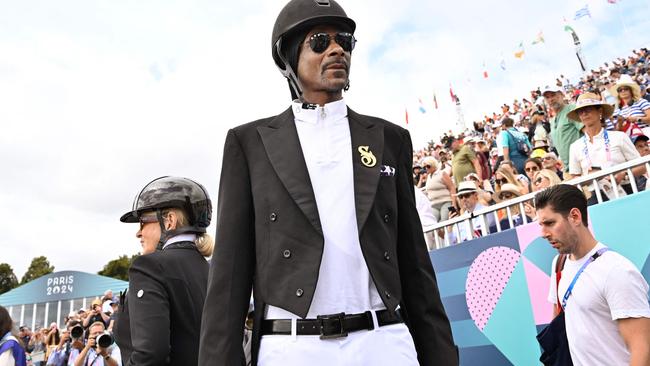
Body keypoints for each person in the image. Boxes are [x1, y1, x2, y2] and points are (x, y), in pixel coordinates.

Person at [198, 1, 458, 365]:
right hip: (291, 348)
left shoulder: (390, 138)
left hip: (384, 343)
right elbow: (228, 277)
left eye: (345, 41)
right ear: (288, 56)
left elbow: (414, 265)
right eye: (320, 41)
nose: (336, 49)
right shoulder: (249, 143)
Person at [538, 184, 650, 366]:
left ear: (575, 216)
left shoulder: (616, 270)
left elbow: (642, 349)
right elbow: (558, 326)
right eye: (541, 225)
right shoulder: (559, 264)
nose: (543, 233)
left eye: (550, 223)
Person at [113, 176, 214, 366]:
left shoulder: (148, 267)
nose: (138, 232)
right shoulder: (211, 271)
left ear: (169, 220)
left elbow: (150, 355)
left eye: (143, 222)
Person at [567, 93, 644, 204]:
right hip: (596, 197)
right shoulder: (575, 146)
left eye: (588, 109)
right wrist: (587, 178)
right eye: (580, 111)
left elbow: (642, 167)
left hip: (625, 190)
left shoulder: (619, 136)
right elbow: (575, 178)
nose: (584, 113)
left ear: (600, 111)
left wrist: (623, 174)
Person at [543, 85, 581, 171]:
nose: (551, 99)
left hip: (582, 163)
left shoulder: (571, 109)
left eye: (553, 95)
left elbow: (588, 132)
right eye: (547, 97)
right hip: (568, 168)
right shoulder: (552, 120)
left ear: (562, 95)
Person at [422, 156, 456, 222]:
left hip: (445, 202)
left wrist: (454, 204)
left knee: (444, 222)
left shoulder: (442, 173)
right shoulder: (428, 177)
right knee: (432, 223)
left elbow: (452, 187)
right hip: (434, 205)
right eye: (424, 167)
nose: (426, 168)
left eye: (428, 166)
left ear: (433, 165)